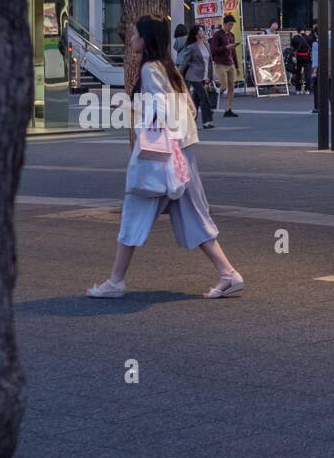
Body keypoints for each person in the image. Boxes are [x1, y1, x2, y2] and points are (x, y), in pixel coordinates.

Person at [87, 15, 243, 299]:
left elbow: (161, 112)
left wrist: (131, 112)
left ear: (146, 39)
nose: (130, 38)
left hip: (163, 155)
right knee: (193, 214)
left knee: (135, 208)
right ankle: (228, 273)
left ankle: (115, 282)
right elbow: (189, 110)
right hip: (184, 150)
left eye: (135, 34)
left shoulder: (149, 69)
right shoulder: (168, 67)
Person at [180, 24, 214, 129]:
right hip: (194, 75)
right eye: (201, 30)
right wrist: (178, 73)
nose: (203, 32)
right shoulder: (192, 47)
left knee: (196, 100)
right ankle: (206, 121)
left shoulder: (206, 44)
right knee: (204, 97)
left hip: (204, 75)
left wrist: (211, 76)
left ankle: (191, 121)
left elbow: (209, 62)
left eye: (203, 30)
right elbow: (185, 62)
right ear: (196, 34)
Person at [210, 14, 240, 117]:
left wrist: (237, 66)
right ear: (224, 24)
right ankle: (212, 98)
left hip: (230, 62)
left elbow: (234, 52)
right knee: (223, 86)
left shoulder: (231, 35)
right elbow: (213, 49)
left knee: (231, 87)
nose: (231, 27)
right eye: (229, 25)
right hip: (220, 63)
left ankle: (228, 108)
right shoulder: (217, 35)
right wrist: (226, 47)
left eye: (232, 25)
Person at [289, 28, 312, 93]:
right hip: (307, 57)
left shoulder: (295, 38)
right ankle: (307, 89)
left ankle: (298, 89)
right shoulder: (308, 38)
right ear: (305, 31)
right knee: (307, 74)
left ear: (298, 31)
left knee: (298, 74)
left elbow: (292, 47)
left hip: (298, 57)